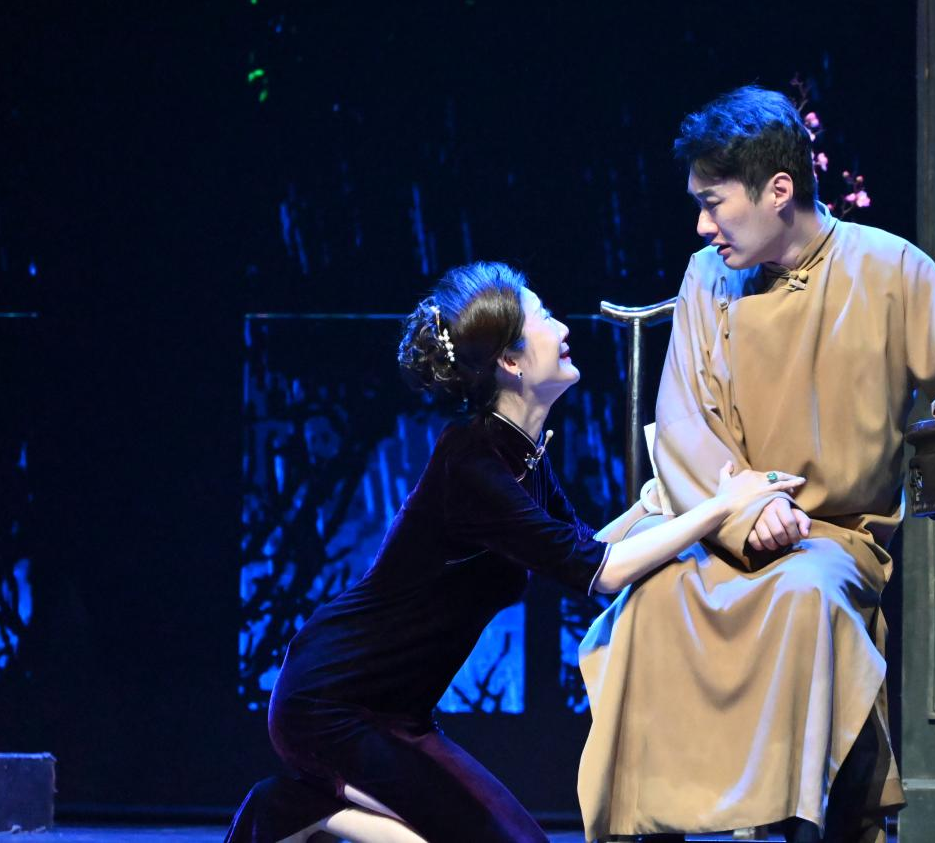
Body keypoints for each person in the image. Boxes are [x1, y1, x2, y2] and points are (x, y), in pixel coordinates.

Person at [577, 87, 935, 843]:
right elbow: (686, 425)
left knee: (804, 596)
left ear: (778, 191)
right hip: (715, 525)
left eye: (714, 204)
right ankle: (644, 827)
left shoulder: (887, 266)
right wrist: (747, 511)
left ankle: (804, 824)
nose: (702, 226)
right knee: (651, 600)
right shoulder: (706, 275)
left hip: (832, 537)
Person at [223, 261, 806, 843]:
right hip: (330, 706)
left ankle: (293, 805)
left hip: (397, 714)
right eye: (544, 317)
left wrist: (654, 506)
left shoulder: (521, 454)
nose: (563, 327)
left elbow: (584, 550)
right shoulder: (471, 463)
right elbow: (601, 573)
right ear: (510, 361)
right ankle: (291, 809)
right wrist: (722, 507)